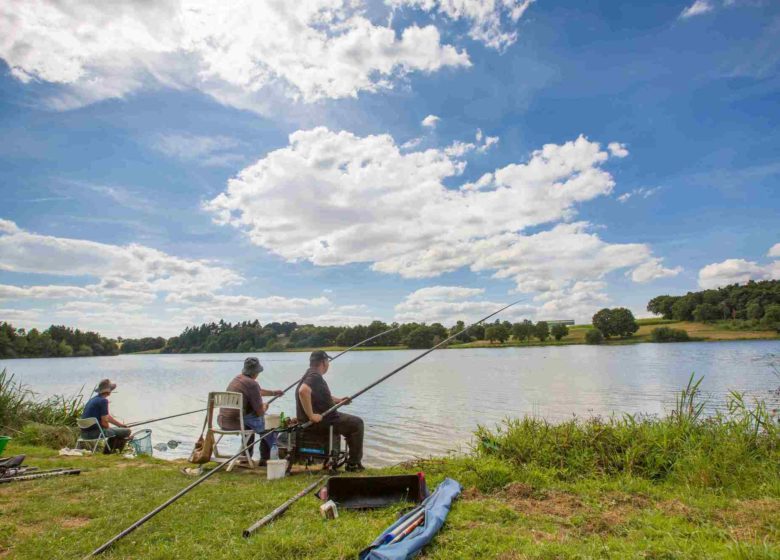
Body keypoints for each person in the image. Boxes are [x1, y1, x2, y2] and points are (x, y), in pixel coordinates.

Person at [296, 350, 365, 472]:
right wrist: (311, 415)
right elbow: (303, 391)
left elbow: (317, 394)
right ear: (323, 362)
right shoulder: (315, 376)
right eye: (327, 361)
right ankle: (353, 464)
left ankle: (349, 459)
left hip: (324, 418)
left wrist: (338, 400)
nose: (328, 364)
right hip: (323, 422)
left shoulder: (308, 374)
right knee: (357, 423)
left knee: (351, 423)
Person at [217, 357, 284, 466]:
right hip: (238, 423)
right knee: (271, 425)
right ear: (256, 372)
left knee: (252, 424)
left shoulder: (237, 379)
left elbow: (257, 391)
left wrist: (273, 393)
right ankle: (265, 460)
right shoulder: (252, 384)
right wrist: (265, 406)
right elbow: (260, 412)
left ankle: (245, 458)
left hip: (223, 420)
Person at [80, 379, 131, 453]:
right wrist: (109, 429)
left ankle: (109, 452)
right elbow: (104, 423)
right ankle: (111, 453)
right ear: (108, 391)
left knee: (119, 430)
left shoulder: (93, 399)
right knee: (127, 431)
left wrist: (120, 425)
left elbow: (107, 417)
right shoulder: (103, 401)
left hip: (84, 434)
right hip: (95, 433)